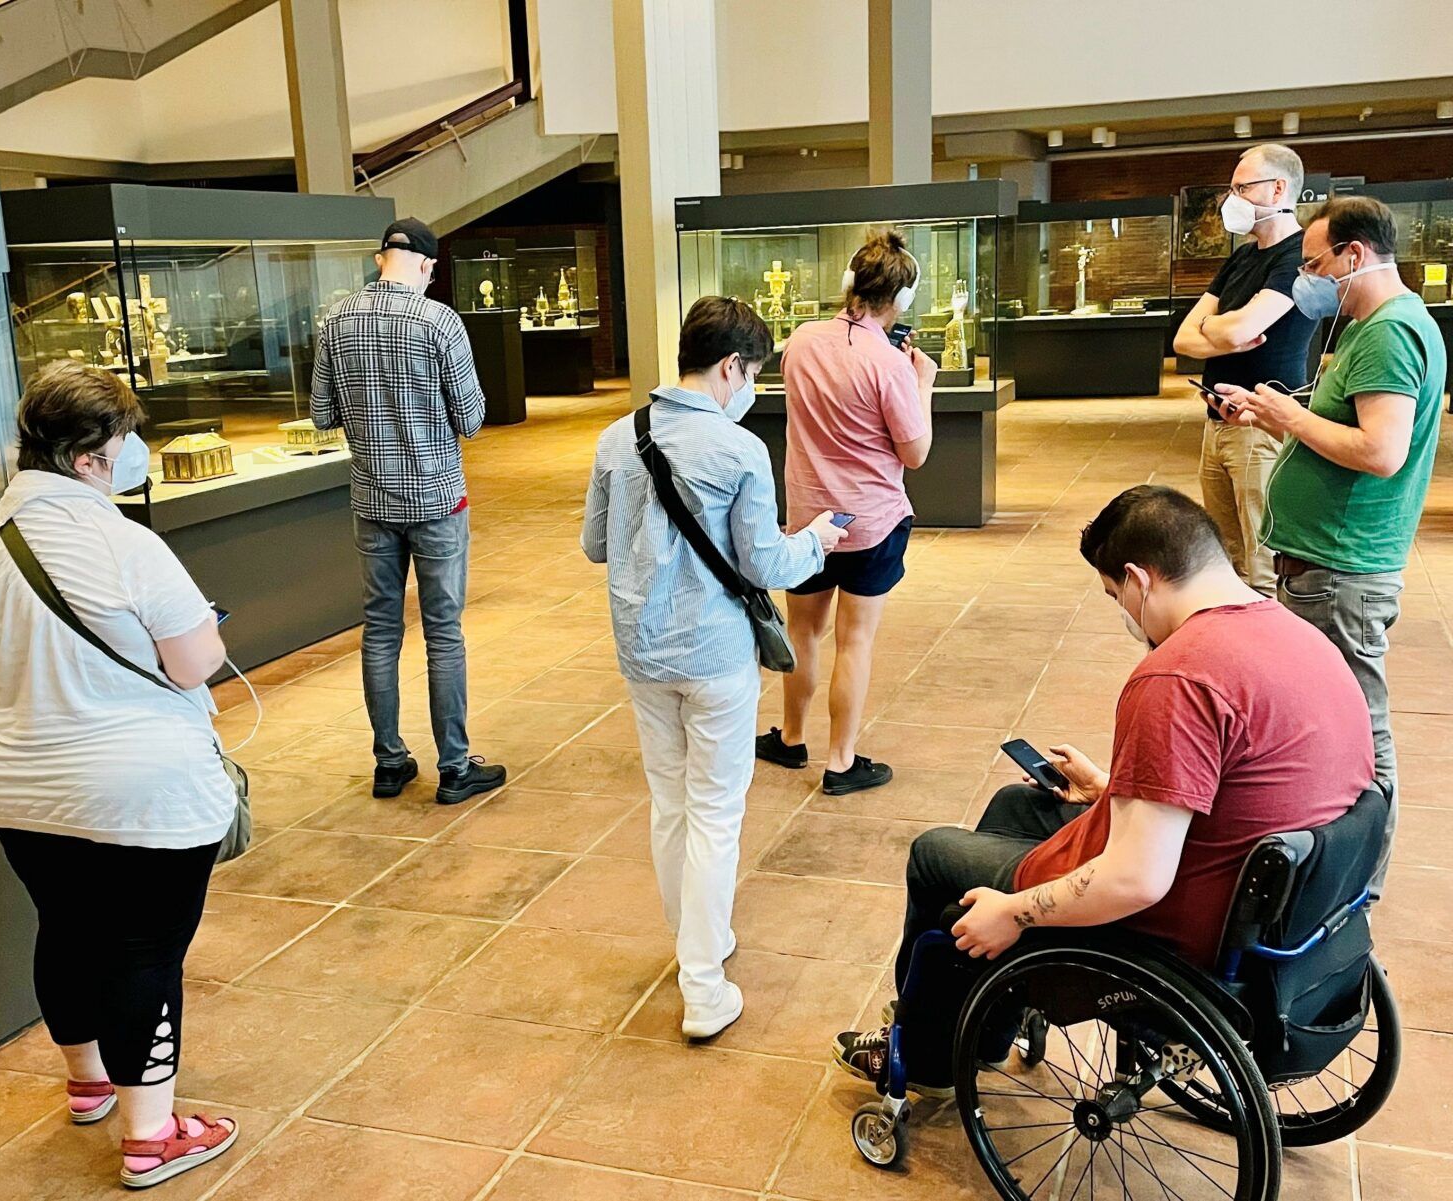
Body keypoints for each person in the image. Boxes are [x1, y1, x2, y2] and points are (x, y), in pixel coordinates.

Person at [831, 485, 1374, 1096]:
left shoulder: (1178, 675)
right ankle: (980, 1008)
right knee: (1017, 804)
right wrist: (1111, 789)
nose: (1122, 610)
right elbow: (1245, 784)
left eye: (1116, 594)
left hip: (1179, 922)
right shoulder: (1299, 638)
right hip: (1275, 907)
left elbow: (1136, 881)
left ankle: (930, 1053)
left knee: (936, 856)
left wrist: (1012, 914)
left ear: (1140, 579)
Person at [0, 362, 238, 1190]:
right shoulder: (123, 542)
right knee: (144, 947)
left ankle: (87, 1082)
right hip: (133, 784)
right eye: (126, 439)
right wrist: (201, 629)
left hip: (6, 776)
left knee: (65, 922)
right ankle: (152, 1136)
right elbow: (192, 663)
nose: (137, 451)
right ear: (88, 458)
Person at [582, 297, 847, 1038]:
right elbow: (767, 561)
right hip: (716, 655)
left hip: (642, 651)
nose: (751, 388)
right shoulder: (739, 451)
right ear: (732, 367)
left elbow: (595, 545)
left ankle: (696, 941)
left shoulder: (615, 438)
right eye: (753, 373)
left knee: (671, 804)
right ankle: (703, 983)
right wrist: (819, 538)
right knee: (716, 812)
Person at [1211, 194, 1446, 899]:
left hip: (1343, 569)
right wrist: (1272, 415)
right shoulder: (1372, 326)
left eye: (1314, 264)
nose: (1308, 277)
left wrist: (1284, 408)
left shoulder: (1388, 331)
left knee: (1360, 731)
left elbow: (1380, 450)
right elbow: (1340, 439)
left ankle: (1359, 885)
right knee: (1331, 720)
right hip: (1327, 562)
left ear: (1354, 256)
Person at [311, 216, 505, 806]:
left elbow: (322, 415)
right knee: (443, 632)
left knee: (380, 630)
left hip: (371, 498)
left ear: (378, 260)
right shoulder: (439, 320)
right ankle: (453, 768)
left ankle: (389, 762)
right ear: (425, 266)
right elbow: (471, 419)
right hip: (437, 497)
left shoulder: (335, 320)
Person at [756, 230, 937, 796]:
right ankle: (840, 762)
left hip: (808, 522)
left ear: (848, 285)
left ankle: (790, 739)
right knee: (854, 642)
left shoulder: (801, 341)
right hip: (872, 523)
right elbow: (915, 453)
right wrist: (921, 384)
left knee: (803, 633)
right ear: (901, 302)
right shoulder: (889, 363)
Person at [1173, 143, 1317, 597]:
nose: (1231, 200)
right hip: (1216, 422)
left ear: (1279, 188)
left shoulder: (1298, 256)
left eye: (1242, 188)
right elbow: (1183, 339)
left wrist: (1215, 329)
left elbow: (1243, 331)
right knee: (1224, 558)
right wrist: (1225, 329)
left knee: (1262, 564)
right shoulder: (1241, 258)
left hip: (1261, 422)